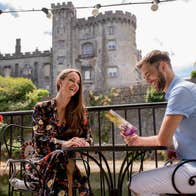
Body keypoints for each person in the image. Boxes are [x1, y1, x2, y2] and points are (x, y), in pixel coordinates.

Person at [121, 50, 196, 195]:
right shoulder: (183, 89)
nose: (147, 81)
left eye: (148, 75)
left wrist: (137, 141)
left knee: (136, 184)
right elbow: (175, 139)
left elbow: (163, 139)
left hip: (192, 168)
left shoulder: (181, 91)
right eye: (144, 77)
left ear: (163, 66)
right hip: (189, 165)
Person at [32, 68, 93, 196]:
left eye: (78, 83)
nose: (75, 85)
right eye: (71, 80)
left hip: (65, 161)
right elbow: (40, 141)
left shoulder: (80, 111)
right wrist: (64, 144)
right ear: (60, 82)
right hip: (41, 162)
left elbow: (89, 139)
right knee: (62, 158)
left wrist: (81, 143)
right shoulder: (42, 108)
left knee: (64, 159)